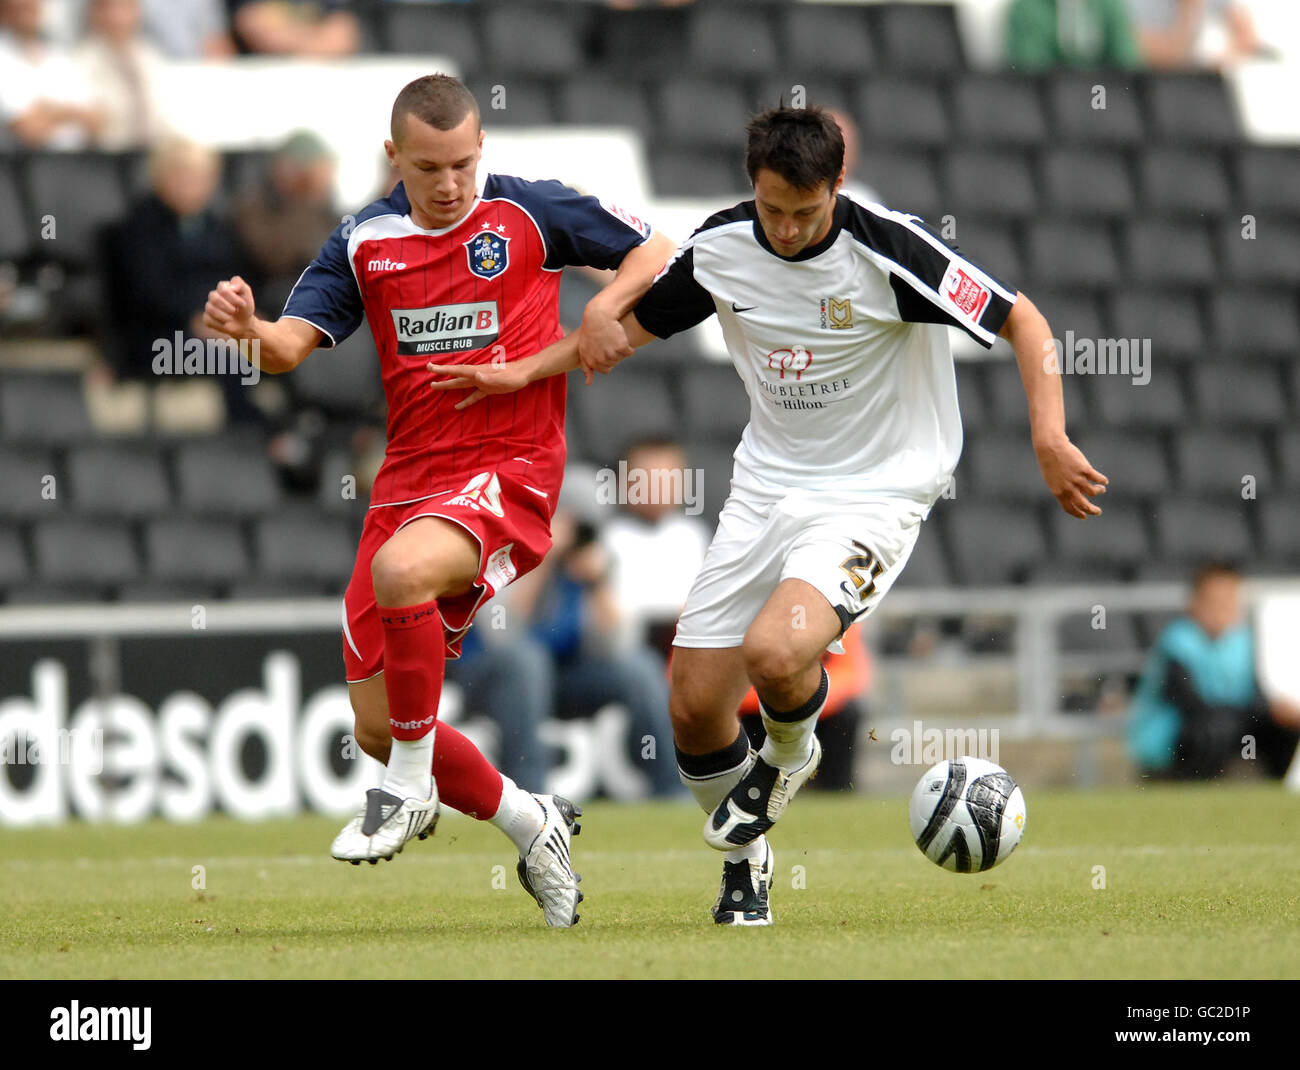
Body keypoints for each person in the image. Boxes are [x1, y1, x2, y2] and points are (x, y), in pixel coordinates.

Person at [429, 105, 1108, 926]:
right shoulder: (722, 247)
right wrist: (524, 371)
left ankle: (790, 755)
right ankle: (747, 868)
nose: (785, 229)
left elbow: (1022, 318)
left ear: (837, 189)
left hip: (876, 490)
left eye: (804, 213)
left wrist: (1048, 433)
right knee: (692, 703)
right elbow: (624, 333)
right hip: (766, 488)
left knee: (777, 653)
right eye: (771, 209)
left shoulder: (889, 251)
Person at [203, 73, 675, 928]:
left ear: (480, 149)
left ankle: (408, 790)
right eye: (430, 167)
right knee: (379, 725)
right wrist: (247, 334)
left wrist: (603, 305)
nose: (451, 183)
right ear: (395, 157)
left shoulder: (530, 212)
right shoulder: (363, 242)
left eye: (463, 162)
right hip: (410, 481)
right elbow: (288, 349)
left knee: (400, 574)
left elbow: (657, 250)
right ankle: (533, 825)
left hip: (512, 466)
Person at [1128, 562, 1300, 779]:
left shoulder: (1242, 643)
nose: (1222, 611)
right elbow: (1192, 704)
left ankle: (1274, 788)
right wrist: (1249, 714)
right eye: (1214, 603)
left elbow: (1255, 695)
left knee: (1283, 725)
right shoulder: (1177, 642)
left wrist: (1276, 710)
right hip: (1174, 737)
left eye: (1229, 602)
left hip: (1228, 722)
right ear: (1194, 603)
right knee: (1213, 728)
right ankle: (1189, 787)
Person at [0, 0, 103, 149]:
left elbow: (97, 121)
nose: (26, 14)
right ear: (4, 13)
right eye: (19, 8)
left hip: (77, 164)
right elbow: (30, 131)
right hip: (23, 167)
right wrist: (72, 112)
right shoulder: (3, 60)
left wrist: (49, 110)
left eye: (31, 7)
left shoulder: (59, 57)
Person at [74, 0, 168, 151]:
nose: (117, 17)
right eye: (108, 8)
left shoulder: (150, 56)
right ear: (95, 13)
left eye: (125, 7)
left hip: (153, 151)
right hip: (106, 158)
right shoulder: (82, 61)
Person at [1125, 0, 1263, 70]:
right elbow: (1159, 56)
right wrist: (1188, 11)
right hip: (1147, 86)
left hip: (1193, 85)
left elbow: (1247, 37)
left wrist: (1226, 60)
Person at [1005, 0, 1143, 69]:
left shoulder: (1108, 5)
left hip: (1102, 101)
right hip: (1046, 108)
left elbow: (1128, 63)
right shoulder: (1027, 7)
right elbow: (1030, 69)